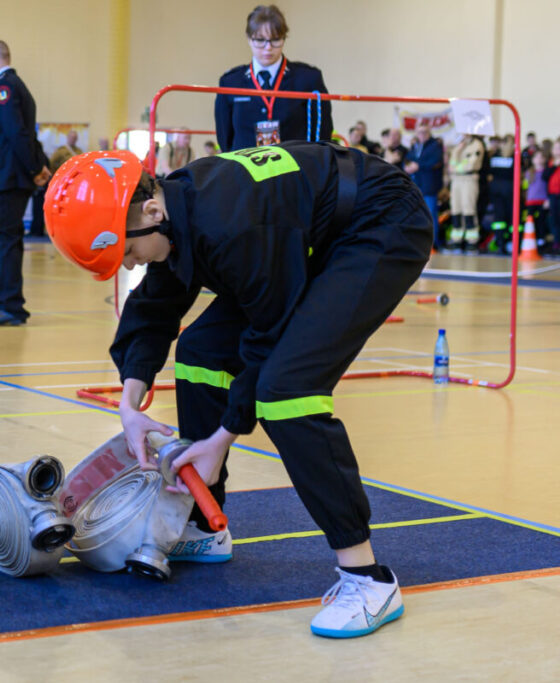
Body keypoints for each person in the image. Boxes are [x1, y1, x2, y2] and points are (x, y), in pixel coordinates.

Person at [44, 142, 432, 638]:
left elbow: (269, 334)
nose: (127, 265)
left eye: (128, 251)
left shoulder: (231, 226)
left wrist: (221, 437)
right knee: (201, 352)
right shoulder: (177, 210)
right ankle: (207, 524)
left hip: (379, 222)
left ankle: (368, 578)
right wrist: (129, 406)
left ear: (151, 211)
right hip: (306, 231)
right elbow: (155, 305)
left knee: (287, 391)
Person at [0, 39, 50, 326]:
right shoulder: (12, 86)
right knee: (3, 241)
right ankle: (4, 301)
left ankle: (11, 306)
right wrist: (38, 165)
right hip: (5, 178)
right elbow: (25, 133)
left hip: (4, 179)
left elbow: (17, 133)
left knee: (3, 241)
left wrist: (35, 167)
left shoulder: (4, 88)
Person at [214, 5, 333, 152]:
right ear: (249, 39)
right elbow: (225, 137)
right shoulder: (230, 82)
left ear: (284, 38)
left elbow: (323, 133)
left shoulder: (308, 79)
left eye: (275, 40)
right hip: (244, 164)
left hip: (294, 163)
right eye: (260, 40)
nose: (268, 47)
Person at [404, 124, 445, 249]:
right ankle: (418, 242)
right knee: (416, 215)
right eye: (419, 132)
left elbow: (435, 161)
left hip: (429, 186)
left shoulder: (435, 146)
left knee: (430, 214)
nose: (422, 134)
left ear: (429, 133)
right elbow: (408, 158)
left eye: (424, 132)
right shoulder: (415, 146)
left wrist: (418, 166)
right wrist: (407, 166)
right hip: (416, 185)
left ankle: (432, 242)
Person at [446, 134, 485, 251]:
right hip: (456, 180)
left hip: (469, 179)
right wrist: (458, 150)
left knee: (468, 208)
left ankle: (471, 240)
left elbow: (471, 164)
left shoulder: (476, 145)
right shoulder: (458, 144)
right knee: (455, 208)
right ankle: (457, 239)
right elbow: (451, 163)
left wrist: (455, 168)